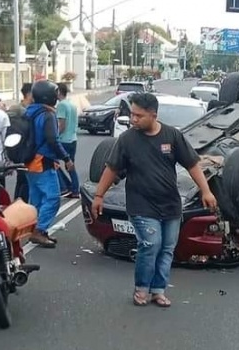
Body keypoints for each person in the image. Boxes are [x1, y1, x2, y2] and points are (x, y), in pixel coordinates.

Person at [91, 92, 217, 307]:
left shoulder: (172, 136)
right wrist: (99, 196)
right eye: (132, 114)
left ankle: (158, 290)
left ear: (153, 115)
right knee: (150, 244)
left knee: (167, 248)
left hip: (170, 204)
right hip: (141, 204)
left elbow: (192, 164)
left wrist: (206, 191)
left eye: (138, 115)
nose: (133, 119)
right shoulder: (127, 139)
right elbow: (112, 168)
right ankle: (141, 289)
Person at [25, 80, 75, 248]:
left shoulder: (29, 111)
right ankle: (39, 231)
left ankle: (33, 228)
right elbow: (52, 140)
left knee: (36, 198)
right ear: (49, 96)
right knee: (53, 198)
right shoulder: (48, 114)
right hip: (43, 161)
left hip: (29, 160)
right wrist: (66, 158)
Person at [7, 83, 33, 202]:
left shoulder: (16, 109)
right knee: (24, 180)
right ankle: (20, 204)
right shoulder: (22, 111)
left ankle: (18, 202)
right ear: (28, 94)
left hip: (21, 151)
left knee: (22, 180)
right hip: (24, 152)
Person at [55, 83, 80, 198]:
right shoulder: (72, 104)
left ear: (59, 92)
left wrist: (54, 135)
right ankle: (75, 189)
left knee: (52, 162)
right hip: (73, 139)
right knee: (70, 166)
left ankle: (64, 187)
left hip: (63, 139)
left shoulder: (61, 105)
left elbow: (62, 125)